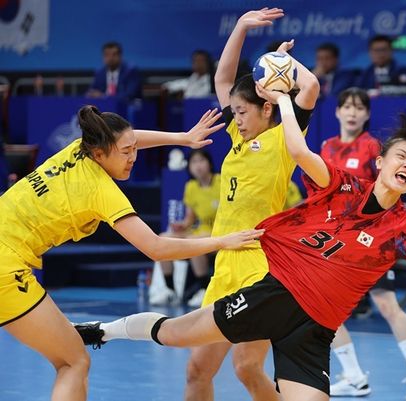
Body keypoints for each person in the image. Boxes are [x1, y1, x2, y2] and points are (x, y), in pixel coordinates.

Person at [74, 93, 406, 401]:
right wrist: (284, 99)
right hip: (276, 295)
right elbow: (298, 150)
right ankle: (104, 330)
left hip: (315, 330)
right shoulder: (345, 186)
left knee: (249, 369)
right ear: (380, 162)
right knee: (175, 334)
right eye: (402, 157)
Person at [0, 105, 263, 401]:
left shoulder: (79, 148)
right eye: (126, 152)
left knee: (70, 352)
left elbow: (128, 136)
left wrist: (182, 137)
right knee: (73, 361)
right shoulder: (101, 190)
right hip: (6, 267)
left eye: (134, 149)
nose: (133, 157)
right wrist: (222, 241)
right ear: (100, 154)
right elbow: (156, 248)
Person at [183, 8, 321, 401]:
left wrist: (282, 65)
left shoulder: (283, 140)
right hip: (225, 265)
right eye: (236, 112)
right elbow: (223, 79)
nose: (237, 118)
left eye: (243, 111)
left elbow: (310, 87)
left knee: (246, 368)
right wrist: (242, 26)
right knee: (197, 371)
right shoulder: (237, 137)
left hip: (261, 269)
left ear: (267, 108)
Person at [320, 87, 406, 401]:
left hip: (373, 238)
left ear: (367, 114)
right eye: (347, 106)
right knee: (326, 308)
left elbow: (393, 187)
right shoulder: (327, 147)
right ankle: (354, 377)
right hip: (339, 240)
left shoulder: (373, 147)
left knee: (387, 305)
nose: (352, 112)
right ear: (337, 111)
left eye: (359, 107)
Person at [150, 149, 221, 307]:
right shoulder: (191, 187)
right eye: (194, 162)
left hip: (220, 231)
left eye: (201, 161)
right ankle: (170, 291)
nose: (198, 166)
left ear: (209, 163)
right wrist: (181, 225)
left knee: (194, 242)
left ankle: (204, 290)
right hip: (200, 231)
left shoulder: (221, 181)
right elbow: (190, 218)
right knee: (163, 238)